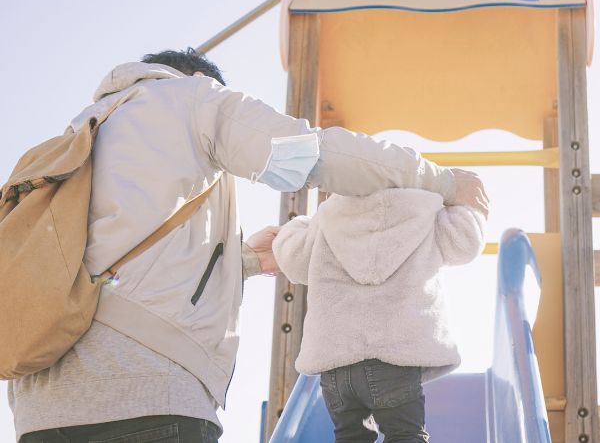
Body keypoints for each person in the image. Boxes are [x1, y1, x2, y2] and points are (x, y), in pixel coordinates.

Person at [10, 48, 489, 442]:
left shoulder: (81, 132)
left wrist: (241, 263)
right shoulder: (191, 97)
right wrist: (441, 182)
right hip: (149, 397)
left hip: (40, 409)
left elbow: (99, 269)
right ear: (197, 77)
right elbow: (309, 155)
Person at [272, 187, 486, 443]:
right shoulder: (425, 211)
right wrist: (470, 205)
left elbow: (293, 259)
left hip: (336, 365)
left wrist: (299, 225)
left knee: (350, 437)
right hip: (394, 356)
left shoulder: (328, 217)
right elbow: (465, 243)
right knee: (406, 435)